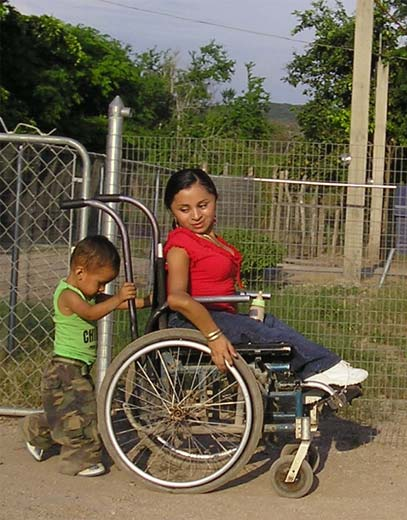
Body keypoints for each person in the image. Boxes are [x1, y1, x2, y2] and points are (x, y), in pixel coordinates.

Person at [163, 168, 368, 386]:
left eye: (203, 205)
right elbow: (176, 297)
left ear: (216, 199)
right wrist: (213, 336)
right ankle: (322, 367)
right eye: (184, 209)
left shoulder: (208, 239)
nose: (195, 216)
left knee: (270, 323)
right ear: (172, 212)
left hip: (220, 314)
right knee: (257, 330)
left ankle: (318, 373)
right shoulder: (180, 245)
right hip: (197, 321)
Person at [22, 235, 150, 477]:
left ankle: (34, 430)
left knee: (65, 414)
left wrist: (145, 301)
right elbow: (92, 313)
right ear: (80, 272)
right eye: (101, 283)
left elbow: (112, 302)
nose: (102, 289)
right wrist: (118, 298)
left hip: (78, 367)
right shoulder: (68, 295)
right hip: (64, 368)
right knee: (85, 413)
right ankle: (80, 460)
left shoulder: (85, 291)